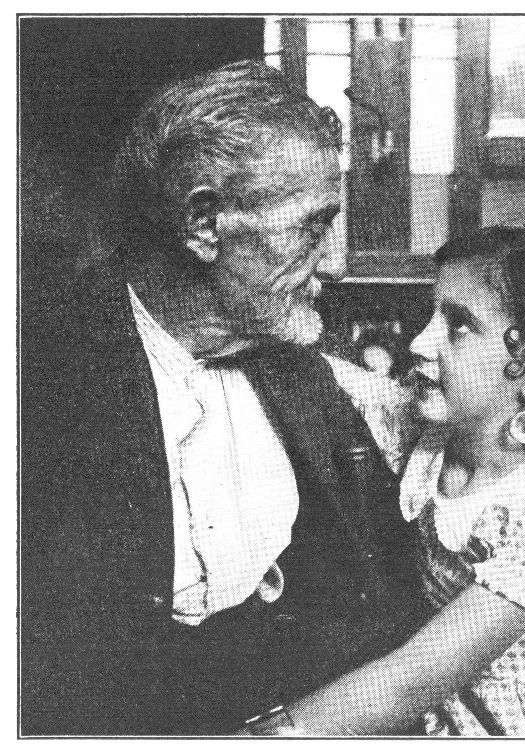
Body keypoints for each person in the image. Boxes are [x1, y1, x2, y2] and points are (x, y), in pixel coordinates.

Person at [20, 61, 424, 736]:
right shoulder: (48, 384)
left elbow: (384, 576)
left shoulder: (297, 370)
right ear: (204, 225)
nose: (334, 264)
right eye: (312, 227)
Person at [268, 227, 525, 737]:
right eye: (430, 317)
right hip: (452, 677)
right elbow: (341, 380)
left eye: (459, 325)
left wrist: (271, 737)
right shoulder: (428, 433)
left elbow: (409, 682)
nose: (419, 343)